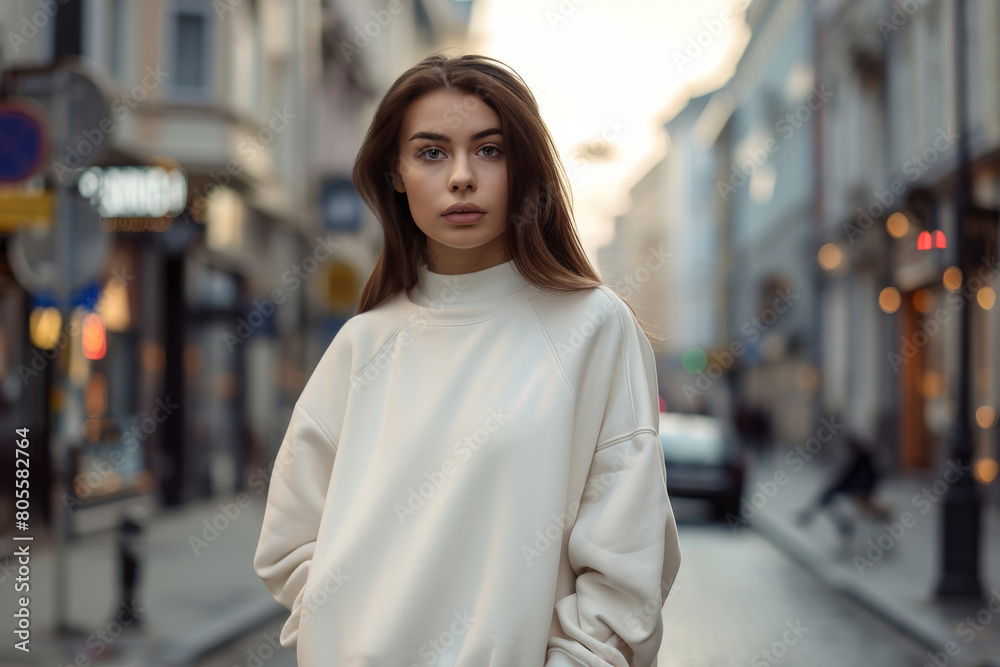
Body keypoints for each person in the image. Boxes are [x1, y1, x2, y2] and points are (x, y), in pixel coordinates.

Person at [253, 53, 682, 667]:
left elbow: (628, 559)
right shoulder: (362, 345)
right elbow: (288, 544)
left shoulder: (594, 328)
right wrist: (343, 640)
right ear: (395, 173)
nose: (460, 177)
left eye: (490, 150)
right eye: (431, 152)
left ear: (525, 168)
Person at [795, 432, 890, 535]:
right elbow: (847, 475)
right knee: (827, 496)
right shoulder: (860, 458)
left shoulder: (863, 459)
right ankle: (815, 515)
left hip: (858, 489)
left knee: (827, 496)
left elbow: (855, 477)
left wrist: (845, 486)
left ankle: (813, 516)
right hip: (854, 488)